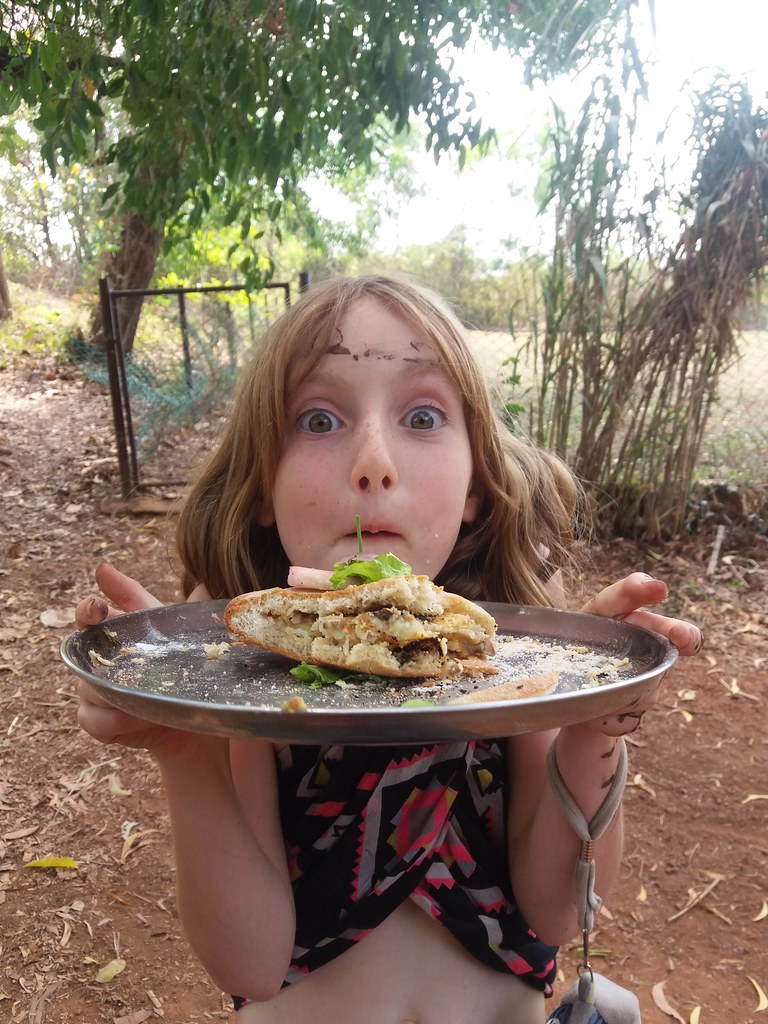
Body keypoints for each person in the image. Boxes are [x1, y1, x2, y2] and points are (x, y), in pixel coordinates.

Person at [75, 275, 702, 1024]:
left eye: (424, 415)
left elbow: (561, 913)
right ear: (264, 491)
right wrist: (184, 745)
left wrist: (592, 718)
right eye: (318, 420)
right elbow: (251, 965)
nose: (373, 461)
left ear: (476, 484)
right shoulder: (252, 683)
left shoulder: (520, 664)